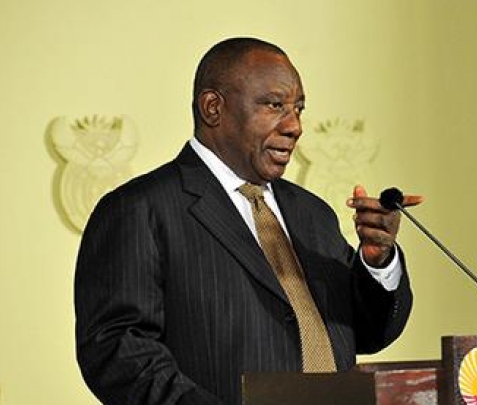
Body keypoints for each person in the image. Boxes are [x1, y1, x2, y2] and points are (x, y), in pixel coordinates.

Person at [74, 37, 423, 405]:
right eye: (275, 105)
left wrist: (378, 261)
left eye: (298, 109)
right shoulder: (138, 209)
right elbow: (117, 351)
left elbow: (368, 333)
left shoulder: (313, 214)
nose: (295, 126)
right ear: (213, 108)